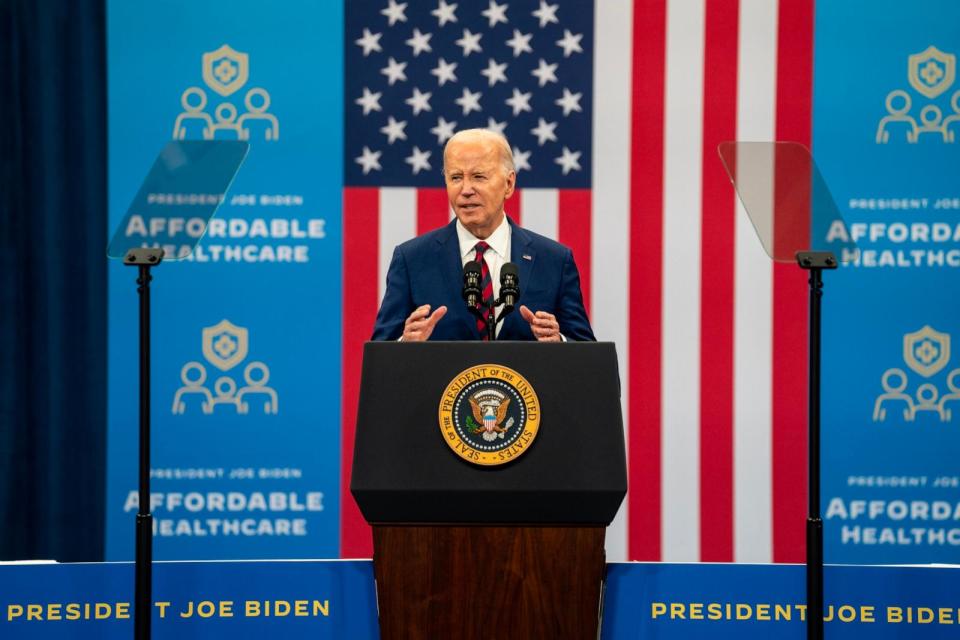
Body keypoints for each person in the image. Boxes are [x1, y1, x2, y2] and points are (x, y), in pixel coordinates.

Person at [371, 128, 594, 342]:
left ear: (508, 184)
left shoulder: (553, 260)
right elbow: (379, 356)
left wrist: (559, 341)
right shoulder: (412, 259)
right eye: (456, 177)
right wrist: (405, 343)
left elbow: (587, 355)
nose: (466, 189)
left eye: (478, 177)